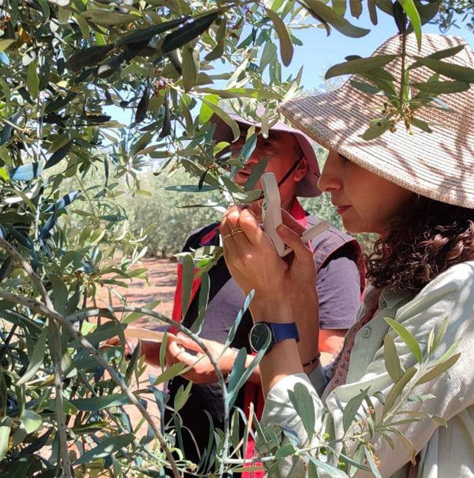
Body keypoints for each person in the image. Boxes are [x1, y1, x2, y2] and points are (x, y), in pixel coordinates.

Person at [203, 34, 474, 477]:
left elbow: (317, 467)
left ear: (420, 172)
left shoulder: (466, 293)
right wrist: (301, 305)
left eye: (349, 157)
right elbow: (331, 418)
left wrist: (270, 306)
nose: (327, 179)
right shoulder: (399, 288)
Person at [141, 112, 365, 477]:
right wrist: (133, 344)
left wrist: (228, 363)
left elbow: (330, 367)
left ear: (300, 168)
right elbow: (183, 336)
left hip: (259, 457)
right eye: (239, 142)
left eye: (265, 143)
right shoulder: (202, 243)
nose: (245, 153)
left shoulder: (325, 253)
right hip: (183, 450)